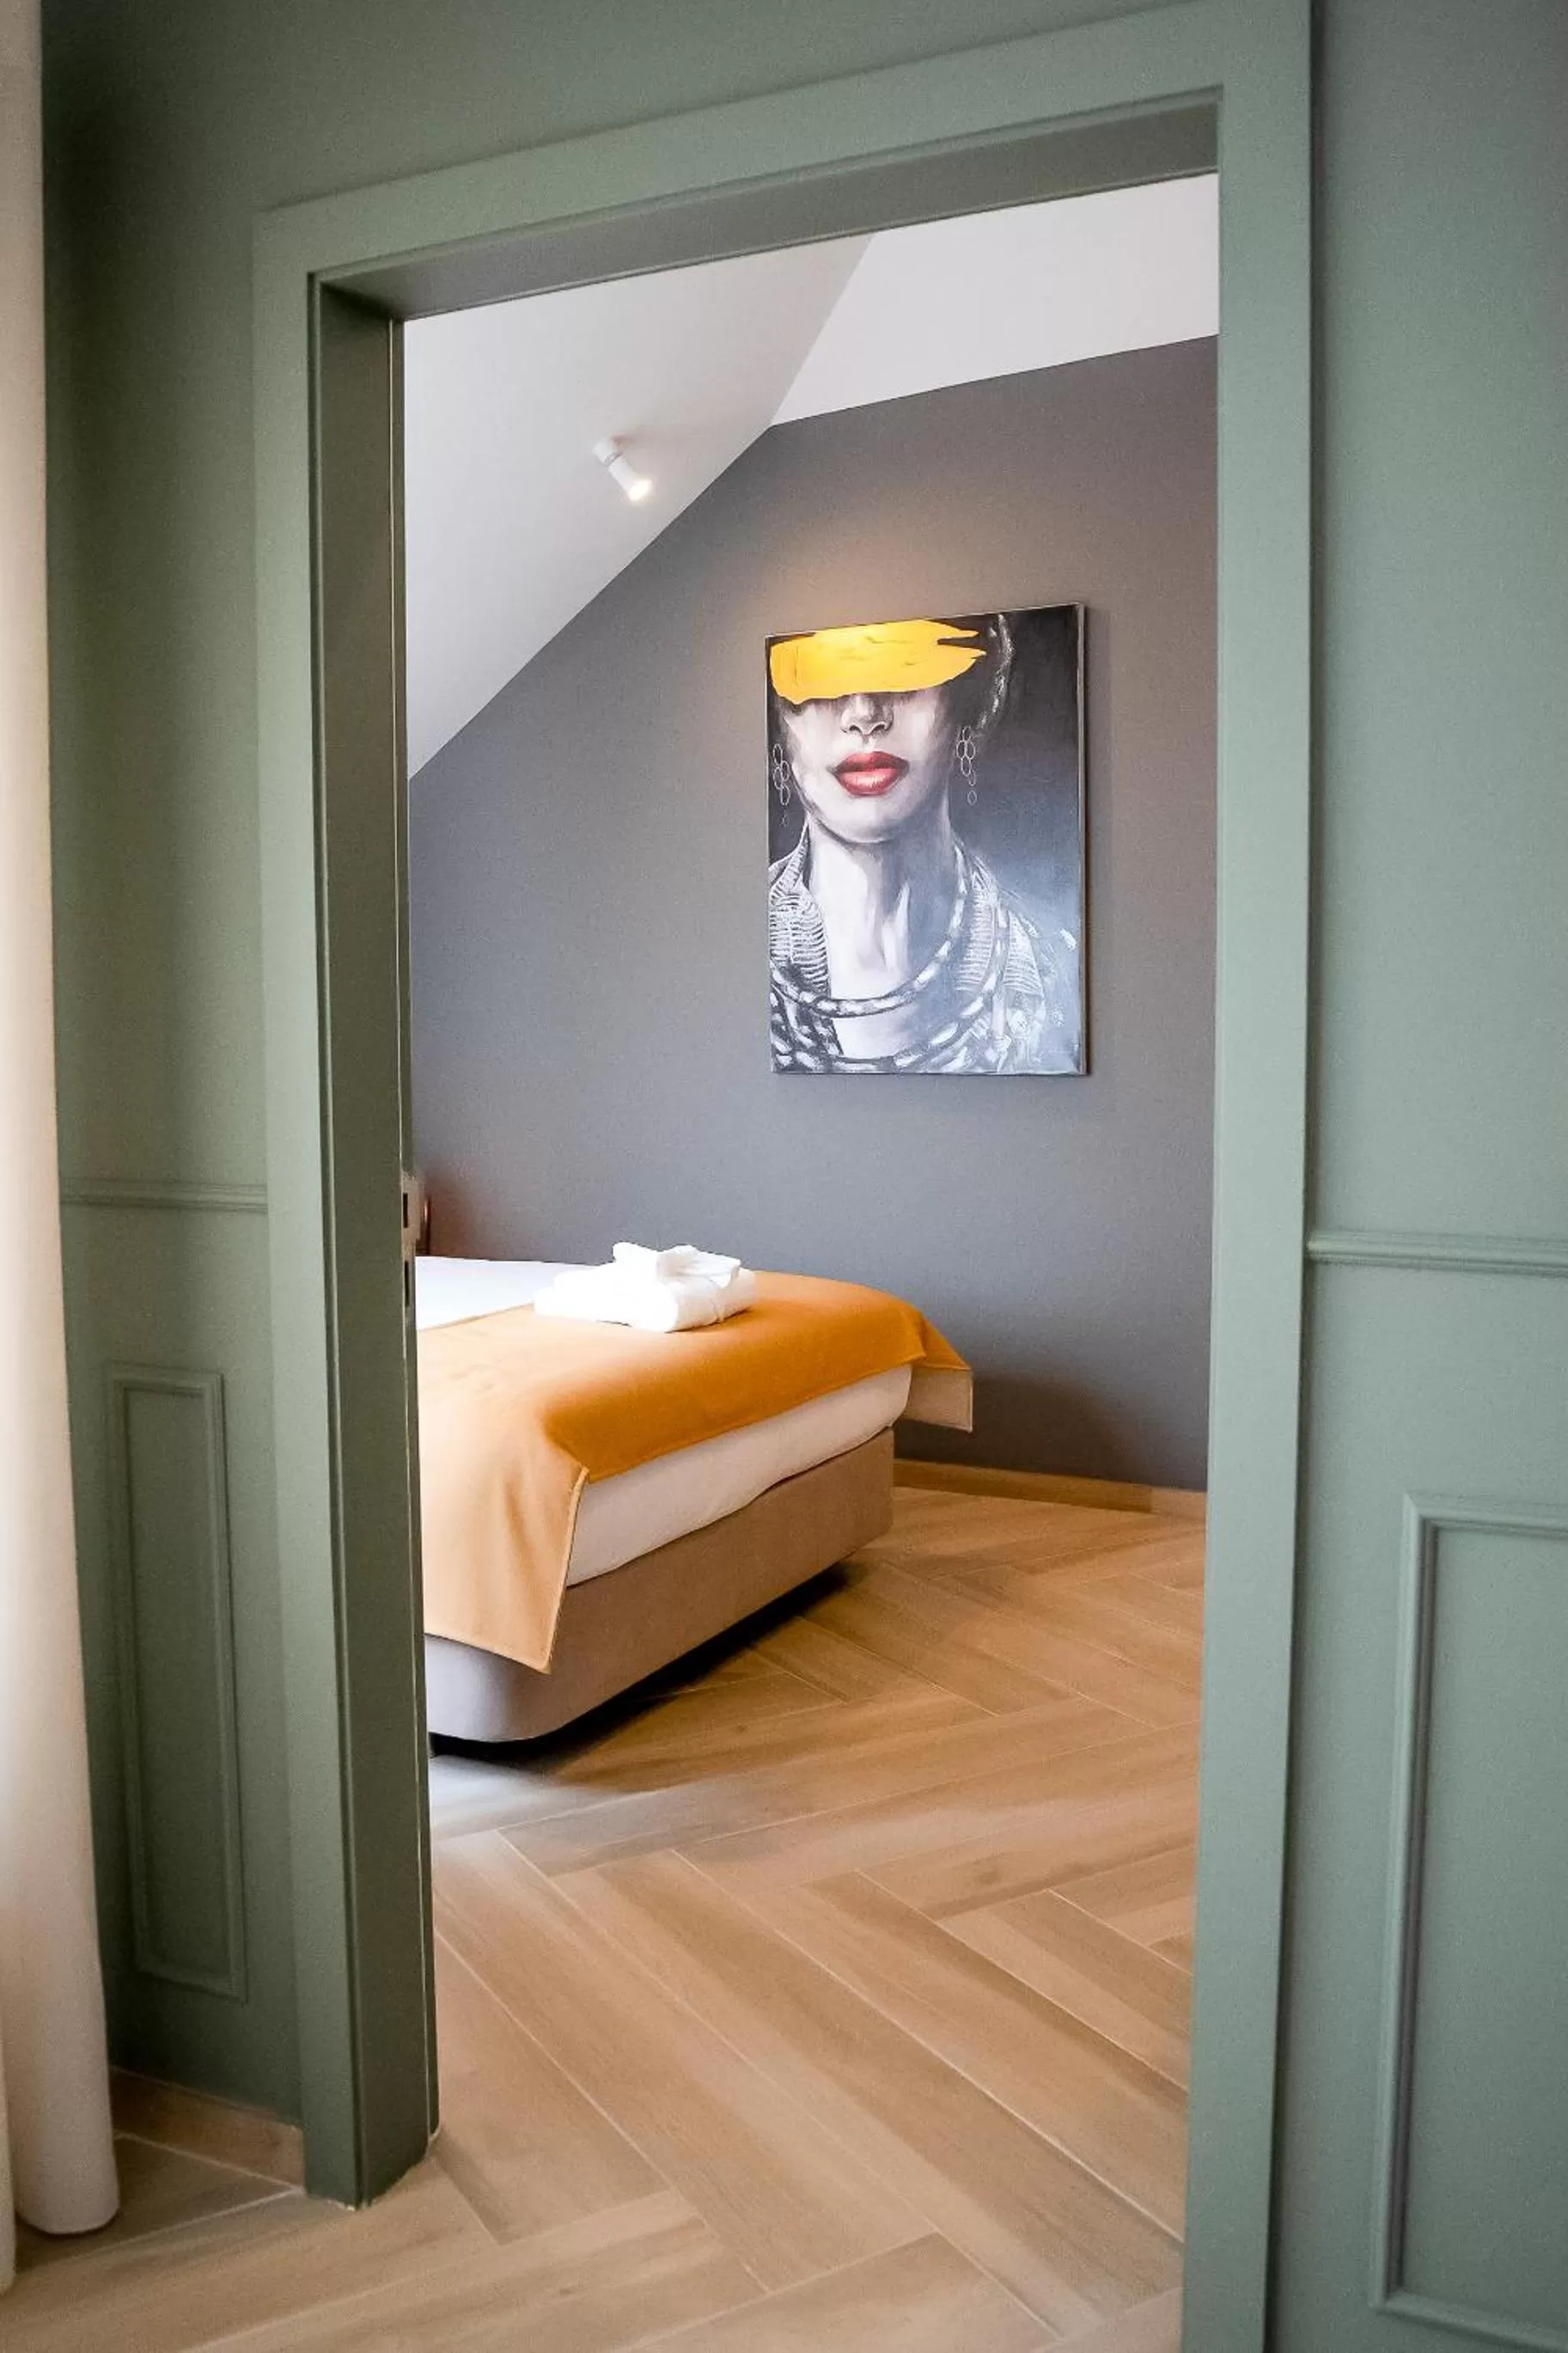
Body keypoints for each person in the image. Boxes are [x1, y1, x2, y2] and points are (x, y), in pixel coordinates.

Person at [767, 614, 1079, 1073]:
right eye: (817, 680)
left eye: (907, 669)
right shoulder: (717, 955)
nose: (864, 715)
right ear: (781, 736)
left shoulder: (1051, 971)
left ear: (965, 708)